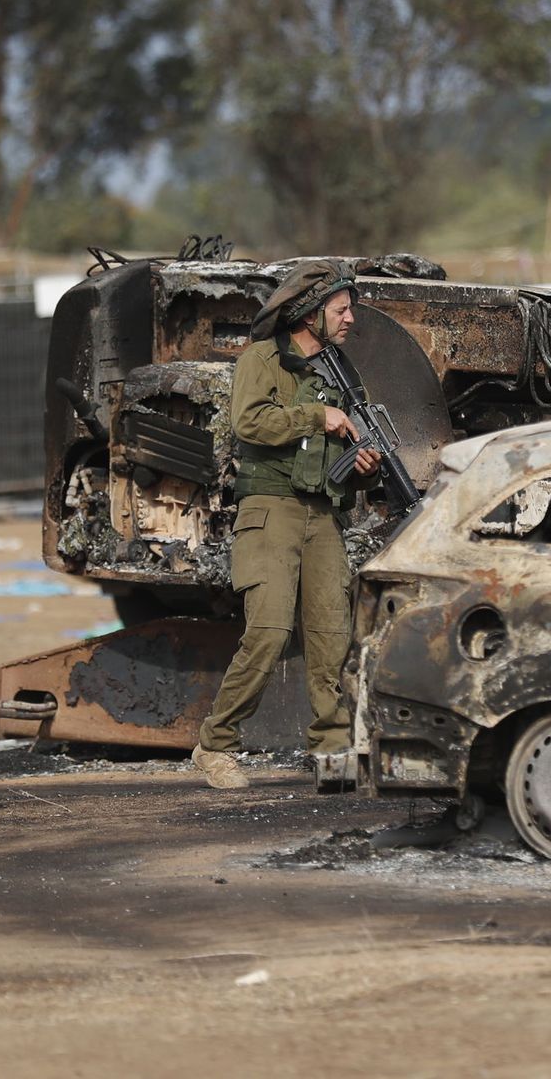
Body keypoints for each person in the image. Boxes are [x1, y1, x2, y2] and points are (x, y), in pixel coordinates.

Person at [191, 261, 382, 789]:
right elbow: (249, 421)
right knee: (269, 633)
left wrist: (365, 466)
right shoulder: (263, 359)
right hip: (271, 510)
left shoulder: (342, 373)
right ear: (309, 311)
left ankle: (332, 751)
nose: (350, 319)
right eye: (341, 310)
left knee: (331, 639)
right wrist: (316, 418)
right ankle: (215, 745)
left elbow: (346, 451)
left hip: (324, 517)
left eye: (351, 309)